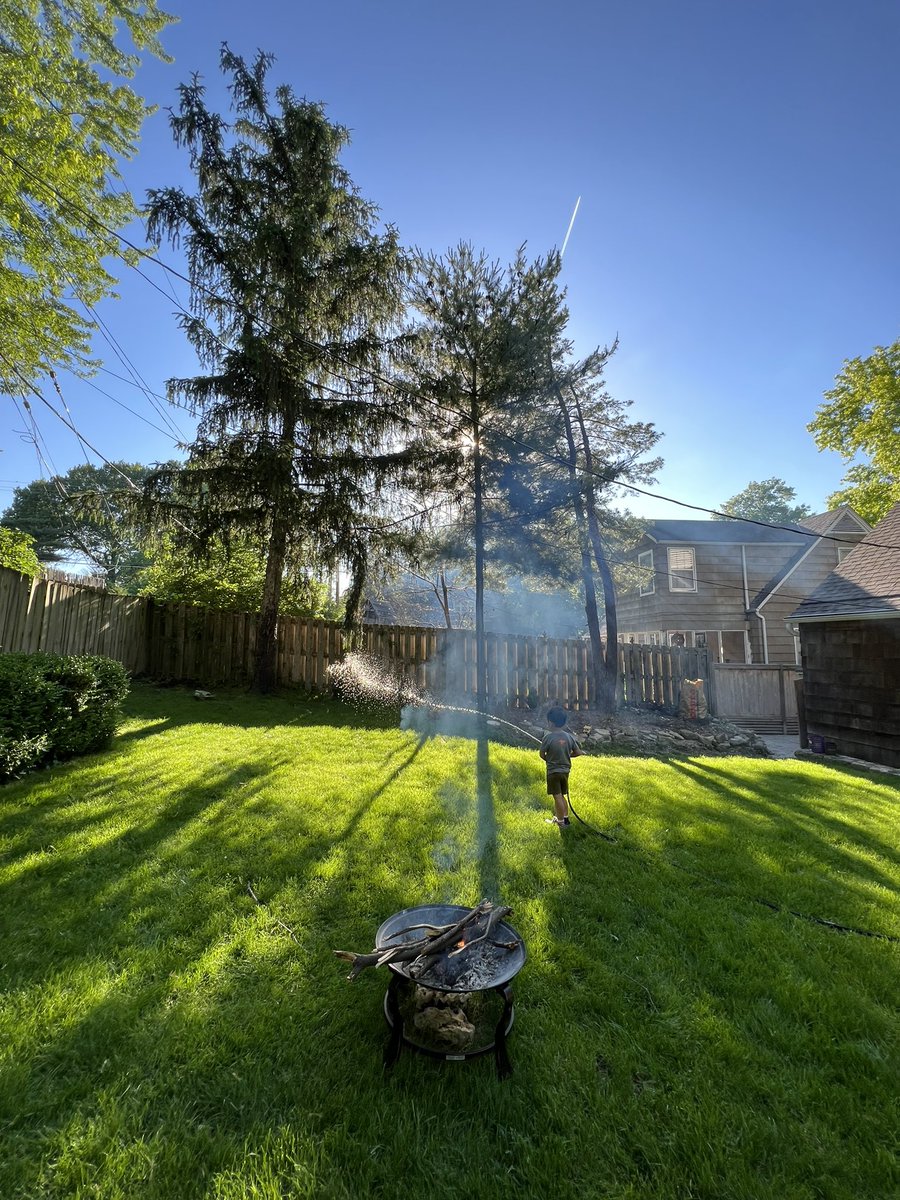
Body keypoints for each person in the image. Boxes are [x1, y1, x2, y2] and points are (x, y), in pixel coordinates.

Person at [539, 705, 583, 828]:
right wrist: (567, 755)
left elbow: (542, 754)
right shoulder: (569, 737)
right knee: (562, 796)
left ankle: (560, 821)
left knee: (557, 796)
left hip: (553, 772)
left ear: (551, 723)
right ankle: (566, 819)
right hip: (565, 772)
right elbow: (578, 752)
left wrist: (550, 759)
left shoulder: (547, 737)